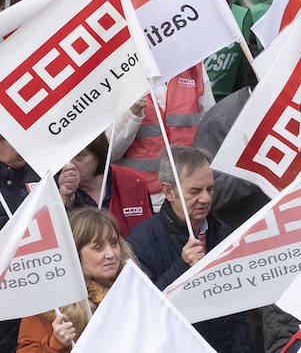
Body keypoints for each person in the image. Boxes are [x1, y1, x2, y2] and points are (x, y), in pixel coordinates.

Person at [128, 146, 250, 353]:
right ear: (168, 192)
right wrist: (181, 268)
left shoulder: (224, 234)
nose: (206, 199)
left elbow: (238, 309)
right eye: (195, 191)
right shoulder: (140, 243)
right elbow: (142, 312)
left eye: (210, 189)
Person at [17, 209, 132, 353]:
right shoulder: (48, 303)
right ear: (75, 253)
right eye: (98, 247)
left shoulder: (134, 290)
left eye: (114, 243)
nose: (111, 254)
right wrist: (56, 344)